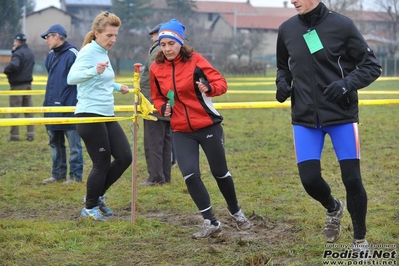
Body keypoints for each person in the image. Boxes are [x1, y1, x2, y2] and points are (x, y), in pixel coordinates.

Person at [275, 0, 381, 248]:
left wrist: (346, 84)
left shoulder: (342, 25)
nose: (293, 0)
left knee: (352, 180)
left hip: (341, 115)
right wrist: (281, 83)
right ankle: (333, 208)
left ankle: (359, 239)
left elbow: (371, 66)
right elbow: (283, 67)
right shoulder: (286, 29)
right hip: (304, 118)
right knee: (310, 180)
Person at [150, 18, 251, 238]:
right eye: (163, 44)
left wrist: (209, 87)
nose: (167, 49)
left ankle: (236, 211)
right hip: (180, 130)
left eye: (171, 44)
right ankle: (210, 221)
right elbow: (157, 97)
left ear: (180, 42)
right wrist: (162, 107)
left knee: (219, 172)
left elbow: (221, 83)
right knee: (190, 175)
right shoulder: (156, 68)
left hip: (207, 125)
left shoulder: (196, 61)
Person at [67, 11, 132, 221]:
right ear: (97, 33)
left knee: (124, 157)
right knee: (101, 163)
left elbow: (101, 79)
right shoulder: (88, 52)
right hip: (89, 114)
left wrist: (116, 86)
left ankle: (96, 195)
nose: (113, 40)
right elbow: (72, 78)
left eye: (115, 36)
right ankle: (89, 207)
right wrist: (94, 70)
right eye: (109, 35)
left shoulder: (103, 52)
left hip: (106, 113)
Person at [40, 24, 84, 185]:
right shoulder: (50, 55)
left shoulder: (73, 54)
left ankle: (75, 176)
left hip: (70, 107)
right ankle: (57, 174)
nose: (46, 40)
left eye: (47, 37)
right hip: (51, 107)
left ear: (56, 36)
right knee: (55, 143)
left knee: (74, 146)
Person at [140, 22, 173, 186]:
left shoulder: (157, 50)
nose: (152, 39)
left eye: (153, 36)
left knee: (153, 143)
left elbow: (155, 75)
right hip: (167, 102)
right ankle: (165, 176)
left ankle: (155, 177)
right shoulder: (169, 50)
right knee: (166, 142)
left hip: (154, 103)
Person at [4, 33, 35, 142]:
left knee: (15, 111)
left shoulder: (18, 53)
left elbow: (14, 65)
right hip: (28, 85)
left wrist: (6, 71)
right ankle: (30, 134)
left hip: (17, 86)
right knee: (28, 110)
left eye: (14, 41)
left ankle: (14, 136)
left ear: (18, 42)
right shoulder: (30, 53)